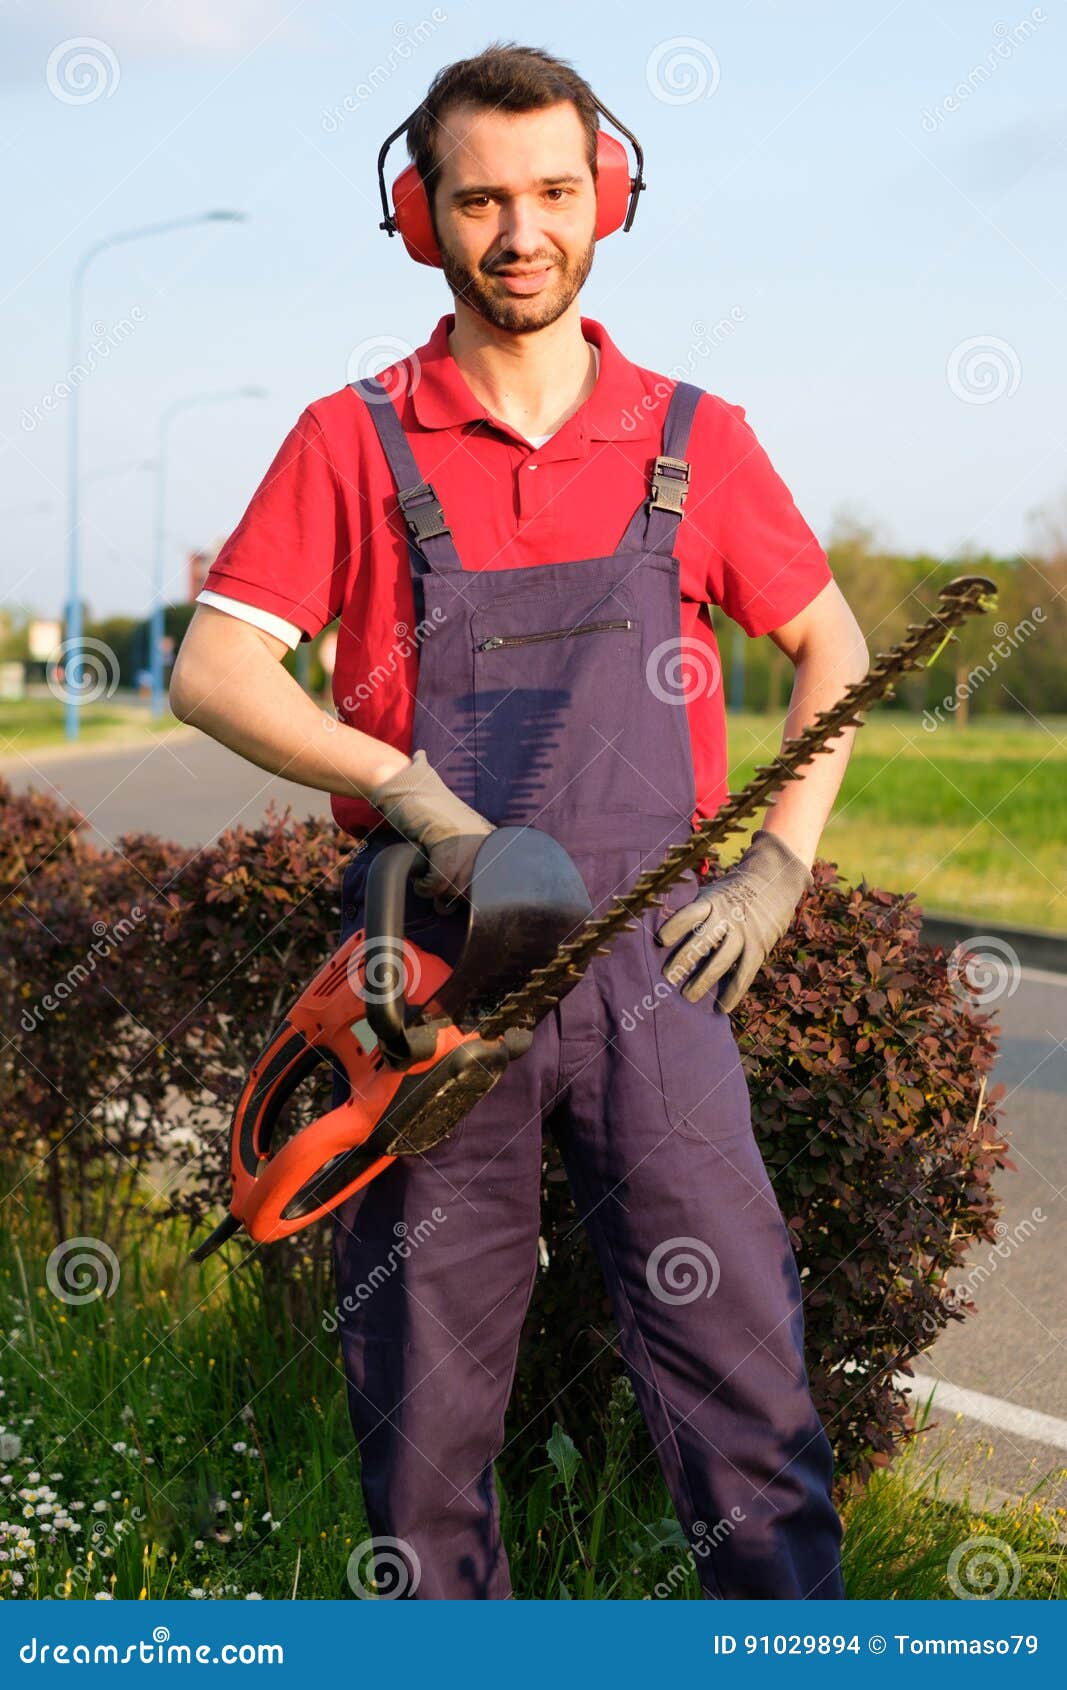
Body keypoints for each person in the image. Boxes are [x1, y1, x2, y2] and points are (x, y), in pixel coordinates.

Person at [170, 42, 870, 1600]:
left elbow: (834, 644)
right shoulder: (352, 439)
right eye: (480, 199)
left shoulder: (695, 436)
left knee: (747, 1399)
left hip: (658, 968)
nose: (520, 231)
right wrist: (412, 786)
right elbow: (214, 670)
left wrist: (777, 866)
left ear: (606, 198)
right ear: (422, 217)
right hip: (432, 980)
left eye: (554, 191)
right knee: (420, 1441)